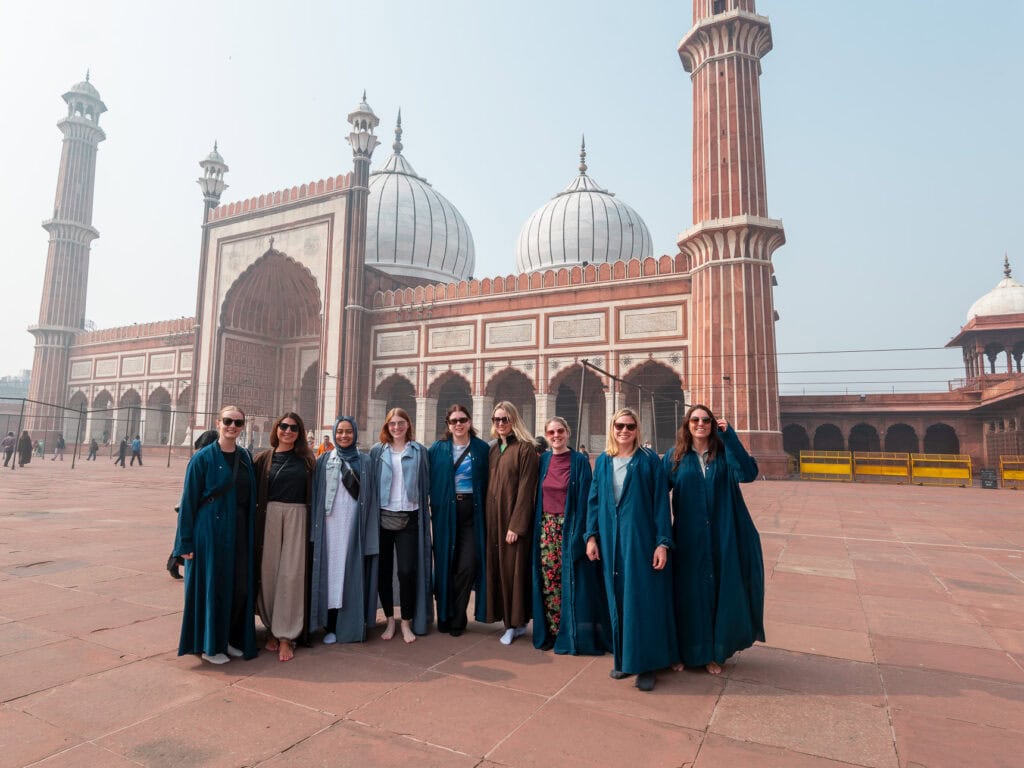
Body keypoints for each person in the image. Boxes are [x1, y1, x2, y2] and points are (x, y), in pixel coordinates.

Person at [664, 404, 764, 675]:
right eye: (695, 420)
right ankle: (683, 652)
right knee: (687, 594)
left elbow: (747, 473)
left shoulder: (722, 454)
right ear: (687, 424)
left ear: (712, 424)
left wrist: (729, 436)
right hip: (687, 537)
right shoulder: (675, 456)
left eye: (705, 420)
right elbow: (658, 494)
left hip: (721, 534)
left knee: (716, 592)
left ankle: (712, 653)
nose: (700, 424)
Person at [586, 407, 677, 692]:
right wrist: (591, 536)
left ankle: (646, 665)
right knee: (617, 599)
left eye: (629, 426)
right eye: (619, 426)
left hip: (640, 538)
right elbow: (594, 499)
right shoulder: (603, 461)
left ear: (638, 430)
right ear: (612, 429)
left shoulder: (648, 461)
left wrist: (662, 542)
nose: (624, 431)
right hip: (612, 538)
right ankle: (625, 659)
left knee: (641, 600)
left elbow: (661, 503)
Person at [172, 405, 258, 664]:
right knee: (213, 586)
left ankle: (229, 639)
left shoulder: (244, 457)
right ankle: (211, 646)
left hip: (239, 529)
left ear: (243, 426)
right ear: (218, 422)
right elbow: (188, 502)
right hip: (210, 530)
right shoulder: (202, 458)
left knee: (237, 587)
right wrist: (183, 543)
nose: (232, 426)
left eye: (238, 423)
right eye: (228, 421)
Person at [532, 417, 609, 655]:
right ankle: (554, 632)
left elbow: (587, 500)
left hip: (570, 528)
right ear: (546, 435)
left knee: (572, 582)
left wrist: (588, 535)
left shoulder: (579, 461)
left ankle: (573, 633)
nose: (556, 436)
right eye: (551, 432)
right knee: (550, 583)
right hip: (546, 528)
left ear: (568, 433)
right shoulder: (544, 460)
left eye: (560, 431)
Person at [310, 416, 379, 644]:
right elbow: (316, 494)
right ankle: (330, 624)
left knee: (349, 573)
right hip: (330, 526)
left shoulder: (365, 461)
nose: (344, 436)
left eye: (349, 432)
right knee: (330, 574)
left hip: (353, 525)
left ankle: (349, 624)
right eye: (340, 432)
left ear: (355, 434)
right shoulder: (323, 460)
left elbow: (371, 498)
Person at [254, 413, 316, 662]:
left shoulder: (308, 461)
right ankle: (271, 627)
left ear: (300, 433)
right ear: (276, 429)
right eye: (284, 426)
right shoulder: (263, 459)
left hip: (297, 516)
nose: (288, 431)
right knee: (268, 574)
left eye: (293, 428)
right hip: (269, 516)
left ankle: (286, 636)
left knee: (291, 576)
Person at [370, 408, 432, 642]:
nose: (396, 427)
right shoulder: (378, 452)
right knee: (384, 573)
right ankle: (389, 621)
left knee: (406, 572)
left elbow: (426, 483)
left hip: (409, 518)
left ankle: (406, 621)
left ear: (408, 425)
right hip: (383, 517)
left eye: (401, 423)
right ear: (387, 426)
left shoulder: (419, 451)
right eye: (392, 424)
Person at [429, 404, 490, 637]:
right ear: (448, 424)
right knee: (446, 565)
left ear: (470, 421)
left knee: (467, 566)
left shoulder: (482, 449)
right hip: (446, 512)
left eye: (462, 419)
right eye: (453, 421)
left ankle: (457, 613)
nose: (458, 424)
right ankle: (444, 614)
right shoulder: (437, 449)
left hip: (472, 514)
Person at [486, 401, 539, 645]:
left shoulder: (525, 449)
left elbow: (527, 490)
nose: (500, 424)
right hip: (494, 520)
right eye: (496, 420)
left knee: (513, 573)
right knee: (499, 571)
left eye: (504, 419)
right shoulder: (495, 449)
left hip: (512, 522)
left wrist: (516, 526)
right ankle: (512, 622)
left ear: (513, 420)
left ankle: (513, 624)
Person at [167, 430, 220, 580]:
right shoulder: (204, 456)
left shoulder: (203, 455)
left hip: (195, 503)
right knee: (186, 537)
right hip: (197, 504)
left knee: (186, 536)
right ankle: (173, 562)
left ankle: (174, 562)